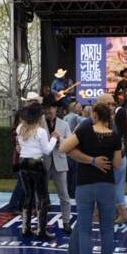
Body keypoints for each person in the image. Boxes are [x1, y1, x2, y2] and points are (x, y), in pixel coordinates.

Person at [60, 102, 122, 254]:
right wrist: (100, 159)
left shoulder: (84, 131)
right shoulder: (115, 136)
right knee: (107, 229)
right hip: (106, 185)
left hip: (85, 185)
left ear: (93, 115)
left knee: (85, 230)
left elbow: (64, 148)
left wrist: (90, 160)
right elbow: (117, 165)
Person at [17, 103, 60, 238]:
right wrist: (54, 138)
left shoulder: (20, 128)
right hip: (36, 162)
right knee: (41, 197)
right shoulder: (40, 131)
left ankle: (26, 228)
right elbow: (47, 150)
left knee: (28, 195)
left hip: (23, 161)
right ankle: (41, 230)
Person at [42, 97, 73, 233]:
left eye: (51, 108)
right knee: (41, 195)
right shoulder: (39, 123)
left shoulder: (64, 124)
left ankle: (66, 222)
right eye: (46, 108)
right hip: (43, 162)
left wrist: (58, 139)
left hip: (59, 162)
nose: (48, 110)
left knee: (64, 195)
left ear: (56, 109)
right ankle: (41, 224)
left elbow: (70, 141)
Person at [113, 106, 127, 224]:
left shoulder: (115, 128)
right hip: (122, 158)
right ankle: (120, 212)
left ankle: (123, 213)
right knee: (119, 186)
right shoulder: (124, 128)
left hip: (117, 159)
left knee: (117, 187)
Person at [63, 102, 84, 198]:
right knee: (75, 171)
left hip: (66, 147)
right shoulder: (76, 117)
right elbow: (88, 121)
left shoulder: (65, 118)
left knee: (68, 172)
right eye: (79, 107)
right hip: (74, 147)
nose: (81, 109)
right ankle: (73, 192)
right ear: (73, 108)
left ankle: (67, 191)